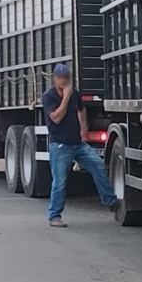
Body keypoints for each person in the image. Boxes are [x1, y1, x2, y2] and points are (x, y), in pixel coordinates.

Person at [42, 64, 121, 228]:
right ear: (54, 79)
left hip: (78, 144)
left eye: (66, 77)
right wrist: (65, 98)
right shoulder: (49, 96)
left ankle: (111, 201)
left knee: (99, 165)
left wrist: (84, 129)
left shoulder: (75, 94)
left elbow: (81, 109)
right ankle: (54, 215)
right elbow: (56, 118)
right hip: (60, 146)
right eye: (59, 77)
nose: (63, 81)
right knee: (60, 182)